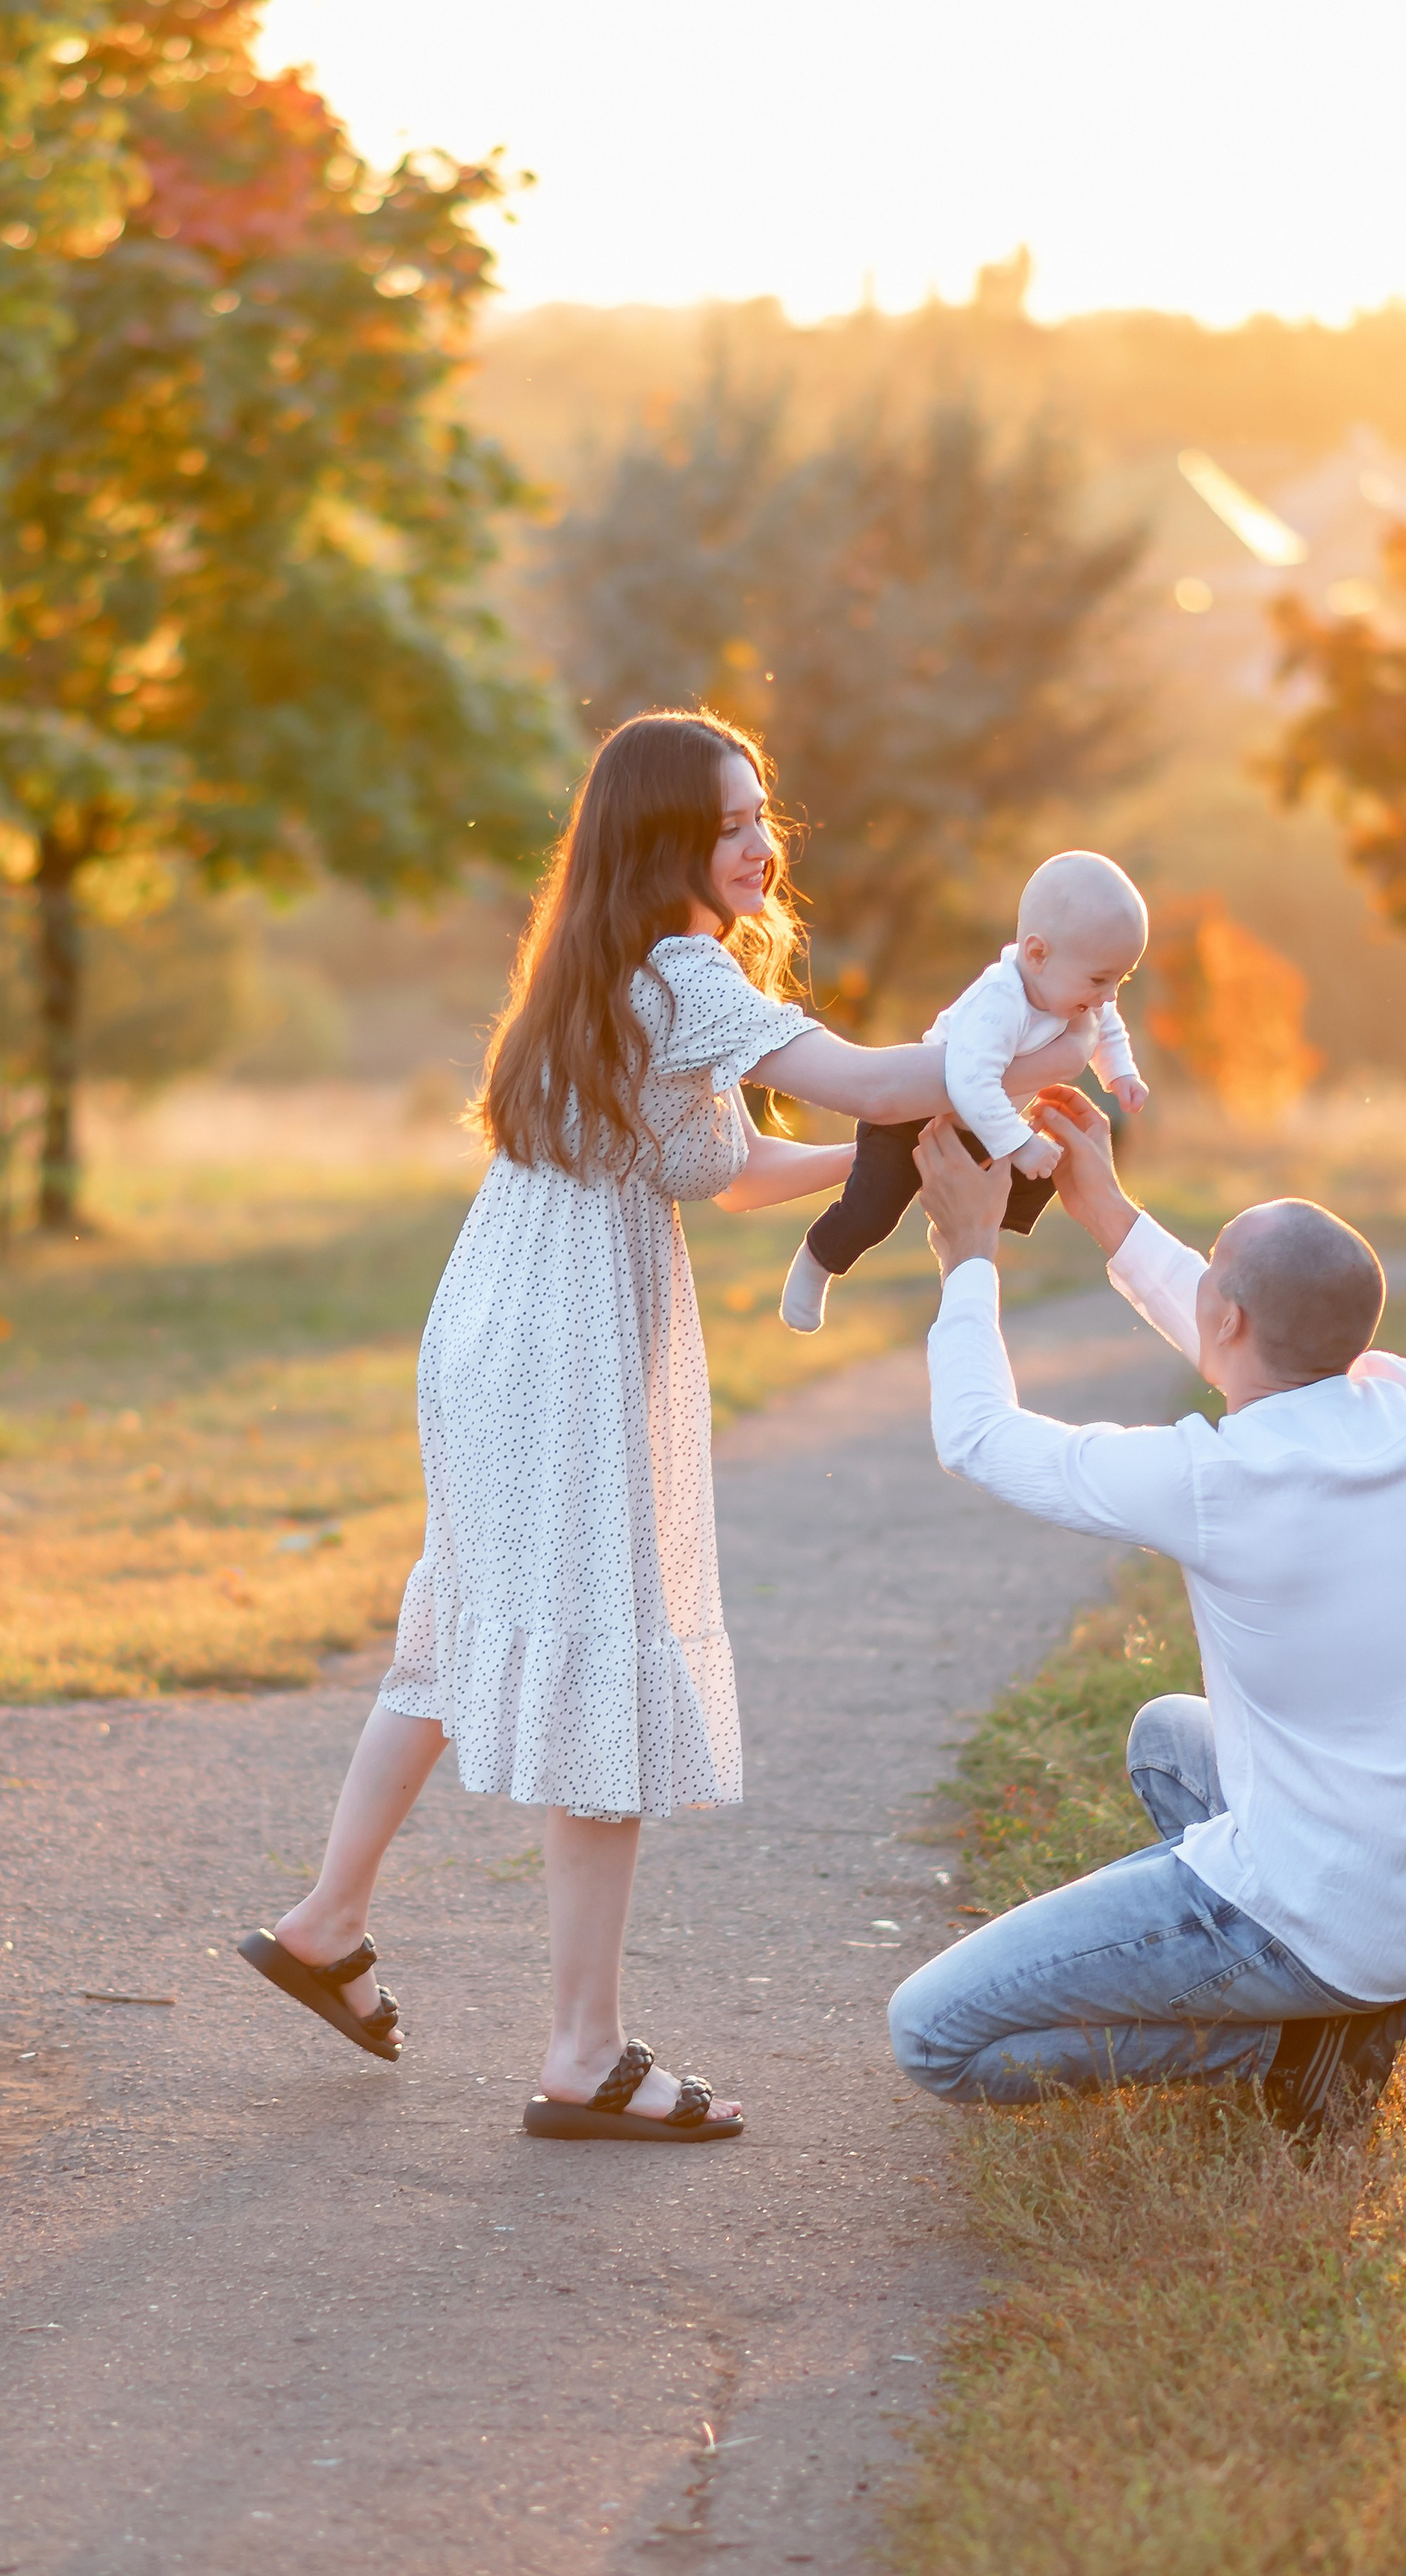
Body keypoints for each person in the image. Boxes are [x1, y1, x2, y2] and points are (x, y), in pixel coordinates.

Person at [238, 710, 1101, 2144]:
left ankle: (326, 1921)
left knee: (463, 1619)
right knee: (602, 1655)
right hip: (570, 1336)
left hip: (497, 1319)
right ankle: (582, 2051)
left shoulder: (598, 966)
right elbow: (886, 1081)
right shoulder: (686, 966)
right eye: (727, 822)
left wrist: (908, 1138)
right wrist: (1014, 1053)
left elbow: (724, 1162)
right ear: (661, 844)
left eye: (764, 813)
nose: (761, 842)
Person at [887, 1087, 1406, 2130]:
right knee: (1167, 1740)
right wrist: (1105, 1209)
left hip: (1341, 1917)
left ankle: (1285, 2041)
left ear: (1224, 1317)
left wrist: (967, 1262)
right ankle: (1339, 1999)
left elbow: (979, 1439)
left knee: (934, 2035)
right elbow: (1256, 1329)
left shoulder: (1220, 1480)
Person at [779, 851, 1150, 1334]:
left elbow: (1106, 1025)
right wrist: (1019, 1144)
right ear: (1037, 954)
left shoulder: (1074, 988)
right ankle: (816, 1260)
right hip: (915, 1116)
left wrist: (1119, 1073)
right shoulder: (1000, 1003)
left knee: (1047, 1166)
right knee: (873, 1212)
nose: (1107, 995)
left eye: (1119, 980)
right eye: (1101, 980)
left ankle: (964, 1232)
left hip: (980, 1121)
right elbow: (968, 1083)